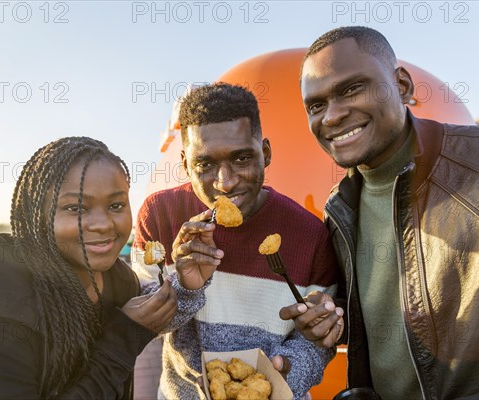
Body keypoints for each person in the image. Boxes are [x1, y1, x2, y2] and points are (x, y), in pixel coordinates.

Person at [279, 26, 479, 399]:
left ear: (402, 86)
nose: (331, 116)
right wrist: (332, 320)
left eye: (351, 89)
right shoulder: (340, 209)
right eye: (316, 105)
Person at [131, 83, 339, 399]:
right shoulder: (160, 215)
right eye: (205, 164)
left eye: (241, 159)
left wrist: (285, 373)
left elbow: (320, 341)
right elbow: (145, 327)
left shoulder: (309, 235)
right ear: (186, 164)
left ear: (265, 153)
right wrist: (186, 288)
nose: (225, 182)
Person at [0, 137, 178, 399]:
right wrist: (125, 337)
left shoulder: (121, 280)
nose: (103, 224)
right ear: (36, 213)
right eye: (75, 208)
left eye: (116, 205)